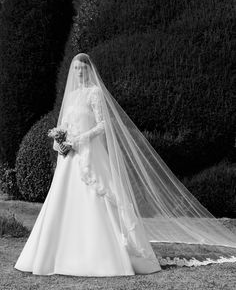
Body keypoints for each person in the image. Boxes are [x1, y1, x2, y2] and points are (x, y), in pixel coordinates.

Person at [14, 53, 236, 276]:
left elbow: (103, 124)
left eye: (82, 68)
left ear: (89, 70)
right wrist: (60, 143)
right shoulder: (71, 96)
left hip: (90, 154)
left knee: (98, 198)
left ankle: (103, 255)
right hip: (70, 159)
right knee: (62, 201)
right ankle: (56, 254)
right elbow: (63, 127)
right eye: (76, 69)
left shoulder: (95, 93)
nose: (79, 72)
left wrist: (78, 140)